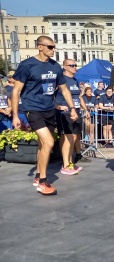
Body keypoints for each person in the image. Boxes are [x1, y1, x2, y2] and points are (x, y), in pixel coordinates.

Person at [11, 35, 79, 195]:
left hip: (49, 109)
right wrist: (15, 115)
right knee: (48, 142)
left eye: (54, 47)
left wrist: (73, 108)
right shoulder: (27, 65)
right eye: (50, 47)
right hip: (32, 108)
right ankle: (42, 181)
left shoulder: (55, 67)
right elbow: (16, 91)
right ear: (40, 47)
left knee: (43, 145)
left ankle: (37, 175)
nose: (53, 50)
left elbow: (64, 89)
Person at [55, 59, 90, 175]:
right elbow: (50, 95)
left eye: (75, 65)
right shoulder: (60, 79)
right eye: (72, 65)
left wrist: (85, 109)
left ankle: (69, 161)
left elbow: (79, 97)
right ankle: (65, 162)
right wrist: (57, 106)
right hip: (65, 112)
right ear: (65, 67)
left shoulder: (75, 80)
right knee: (65, 137)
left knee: (74, 137)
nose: (75, 67)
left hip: (76, 111)